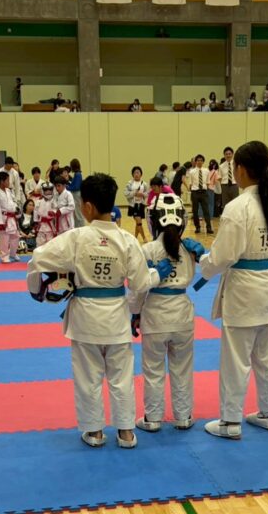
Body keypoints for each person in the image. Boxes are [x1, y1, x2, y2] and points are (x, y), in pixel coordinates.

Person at [26, 172, 171, 449]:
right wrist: (156, 274)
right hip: (116, 317)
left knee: (88, 378)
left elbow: (37, 258)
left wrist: (38, 288)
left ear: (88, 206)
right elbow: (140, 284)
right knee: (121, 378)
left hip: (85, 319)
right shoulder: (127, 240)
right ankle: (126, 433)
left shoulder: (76, 238)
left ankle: (94, 432)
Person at [198, 140, 268, 439]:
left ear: (240, 169)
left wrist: (202, 263)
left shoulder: (237, 207)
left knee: (236, 360)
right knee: (267, 357)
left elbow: (223, 256)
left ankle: (230, 422)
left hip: (243, 291)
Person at [130, 194, 204, 432]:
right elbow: (209, 271)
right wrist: (202, 255)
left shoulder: (147, 250)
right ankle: (183, 416)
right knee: (182, 369)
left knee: (153, 370)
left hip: (155, 314)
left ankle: (152, 419)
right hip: (182, 314)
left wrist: (135, 313)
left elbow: (138, 288)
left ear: (153, 220)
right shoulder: (189, 249)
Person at [0, 170, 19, 263]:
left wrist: (16, 209)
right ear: (2, 181)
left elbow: (12, 202)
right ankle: (4, 256)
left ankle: (13, 253)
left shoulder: (8, 191)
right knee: (4, 238)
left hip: (11, 217)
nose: (9, 182)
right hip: (3, 218)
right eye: (7, 180)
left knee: (15, 236)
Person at [186, 154, 212, 235]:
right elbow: (190, 183)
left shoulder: (207, 171)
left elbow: (208, 182)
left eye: (201, 160)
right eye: (198, 160)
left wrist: (206, 191)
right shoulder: (191, 172)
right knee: (195, 211)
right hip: (195, 192)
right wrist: (191, 192)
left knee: (206, 210)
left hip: (204, 192)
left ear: (203, 162)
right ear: (195, 162)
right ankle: (197, 227)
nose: (199, 162)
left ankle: (209, 227)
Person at [124, 166, 148, 242]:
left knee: (138, 223)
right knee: (139, 222)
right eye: (135, 173)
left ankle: (134, 238)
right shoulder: (130, 183)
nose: (136, 174)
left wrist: (143, 194)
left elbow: (147, 193)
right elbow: (126, 193)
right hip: (133, 205)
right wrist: (134, 193)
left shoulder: (144, 184)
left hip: (141, 205)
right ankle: (144, 238)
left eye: (138, 172)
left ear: (141, 174)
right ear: (132, 174)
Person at [34, 180, 57, 246]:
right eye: (46, 190)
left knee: (50, 243)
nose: (48, 192)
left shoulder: (54, 201)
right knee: (40, 242)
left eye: (50, 190)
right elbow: (35, 212)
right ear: (42, 191)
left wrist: (53, 212)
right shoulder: (38, 201)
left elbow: (56, 210)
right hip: (41, 225)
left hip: (50, 224)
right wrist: (35, 222)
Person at [69, 157, 84, 227]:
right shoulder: (77, 174)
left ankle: (81, 227)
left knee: (78, 213)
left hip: (77, 194)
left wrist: (67, 187)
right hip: (75, 194)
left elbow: (76, 187)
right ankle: (78, 226)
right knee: (76, 213)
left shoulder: (78, 174)